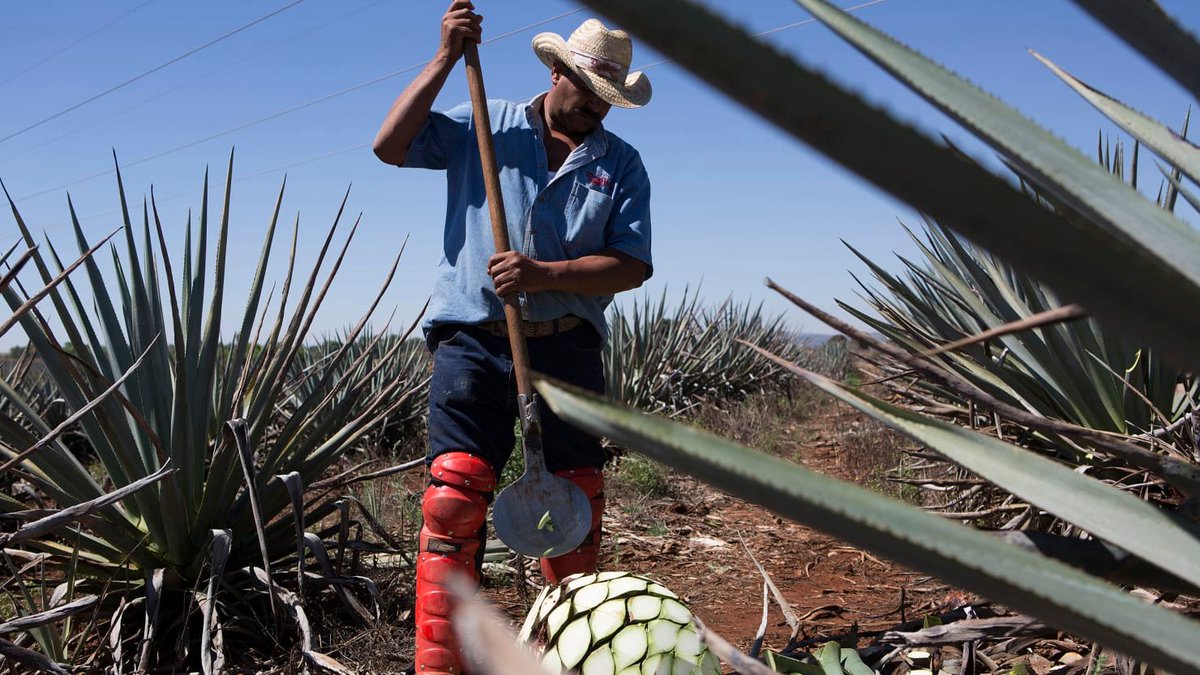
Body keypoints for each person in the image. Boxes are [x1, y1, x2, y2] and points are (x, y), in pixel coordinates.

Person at [372, 2, 653, 673]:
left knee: (575, 514)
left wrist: (543, 272)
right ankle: (442, 665)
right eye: (588, 96)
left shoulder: (622, 164)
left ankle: (567, 660)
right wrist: (444, 57)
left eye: (607, 103)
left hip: (567, 350)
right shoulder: (484, 124)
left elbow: (632, 264)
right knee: (452, 507)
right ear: (556, 73)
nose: (595, 112)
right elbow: (390, 146)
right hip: (472, 345)